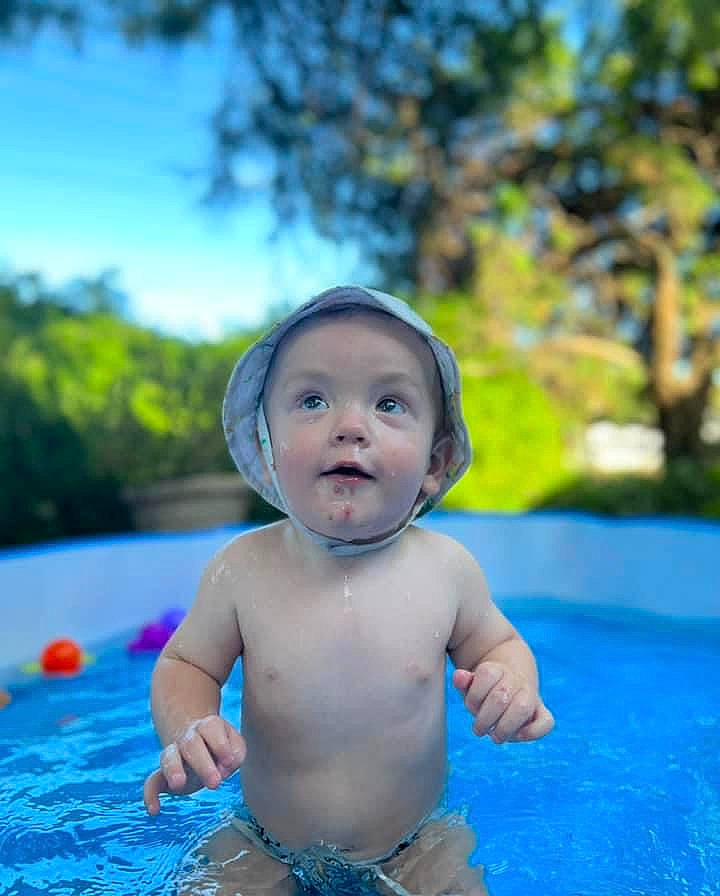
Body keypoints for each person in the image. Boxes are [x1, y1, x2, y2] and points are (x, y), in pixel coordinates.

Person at [143, 286, 554, 896]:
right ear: (267, 444)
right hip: (265, 844)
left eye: (389, 403)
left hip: (419, 845)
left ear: (436, 461)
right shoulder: (242, 570)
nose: (349, 427)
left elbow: (500, 643)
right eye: (312, 400)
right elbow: (185, 663)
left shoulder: (447, 570)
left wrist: (512, 684)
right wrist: (189, 728)